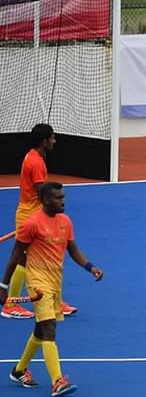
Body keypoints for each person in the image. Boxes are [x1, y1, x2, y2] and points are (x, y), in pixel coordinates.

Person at [0, 182, 104, 396]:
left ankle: (19, 370)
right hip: (38, 283)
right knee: (49, 329)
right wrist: (4, 285)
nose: (63, 201)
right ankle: (57, 381)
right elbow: (15, 255)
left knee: (40, 329)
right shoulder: (31, 224)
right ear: (46, 200)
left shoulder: (65, 221)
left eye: (63, 197)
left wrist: (90, 267)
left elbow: (73, 249)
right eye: (58, 198)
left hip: (56, 281)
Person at [2, 124, 77, 320]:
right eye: (52, 138)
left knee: (42, 258)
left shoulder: (34, 157)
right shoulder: (35, 163)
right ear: (44, 141)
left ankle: (52, 299)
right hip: (30, 216)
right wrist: (54, 213)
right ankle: (10, 304)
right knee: (23, 260)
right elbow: (43, 194)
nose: (54, 141)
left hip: (30, 213)